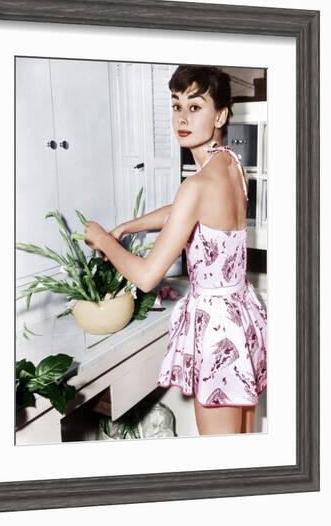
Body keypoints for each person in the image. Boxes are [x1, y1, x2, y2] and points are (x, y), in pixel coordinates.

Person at [84, 65, 267, 436]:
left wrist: (103, 239)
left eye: (195, 107)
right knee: (243, 446)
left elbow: (148, 275)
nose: (182, 118)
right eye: (175, 105)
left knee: (220, 467)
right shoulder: (230, 164)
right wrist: (129, 226)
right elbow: (183, 212)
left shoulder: (197, 185)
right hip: (240, 315)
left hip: (217, 333)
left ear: (221, 114)